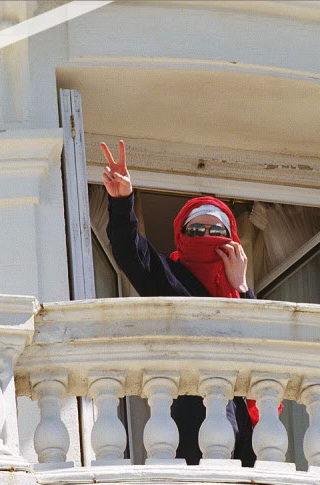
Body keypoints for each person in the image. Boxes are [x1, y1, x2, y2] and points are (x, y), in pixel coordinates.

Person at [101, 139, 258, 467]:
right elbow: (132, 253)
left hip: (243, 425)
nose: (205, 235)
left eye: (216, 230)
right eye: (196, 228)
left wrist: (240, 285)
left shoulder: (237, 291)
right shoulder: (169, 276)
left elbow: (257, 344)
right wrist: (122, 202)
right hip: (189, 417)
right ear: (181, 234)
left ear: (232, 243)